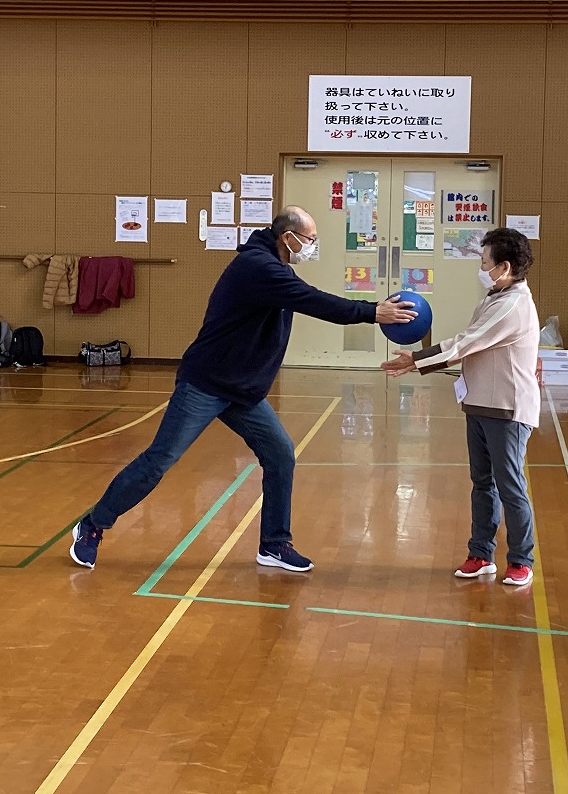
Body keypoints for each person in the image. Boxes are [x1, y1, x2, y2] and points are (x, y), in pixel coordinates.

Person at [70, 206, 417, 572]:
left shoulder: (276, 265)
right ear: (288, 238)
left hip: (242, 390)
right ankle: (92, 525)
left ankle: (274, 544)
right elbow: (314, 301)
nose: (313, 247)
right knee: (160, 459)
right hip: (206, 382)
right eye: (310, 240)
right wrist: (371, 311)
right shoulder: (259, 268)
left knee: (280, 455)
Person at [382, 228, 539, 588]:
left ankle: (520, 560)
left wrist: (418, 359)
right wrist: (420, 363)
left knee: (510, 486)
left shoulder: (514, 305)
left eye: (484, 263)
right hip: (479, 404)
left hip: (507, 410)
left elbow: (468, 342)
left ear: (504, 266)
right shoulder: (494, 296)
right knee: (482, 483)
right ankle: (481, 554)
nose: (480, 268)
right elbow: (472, 348)